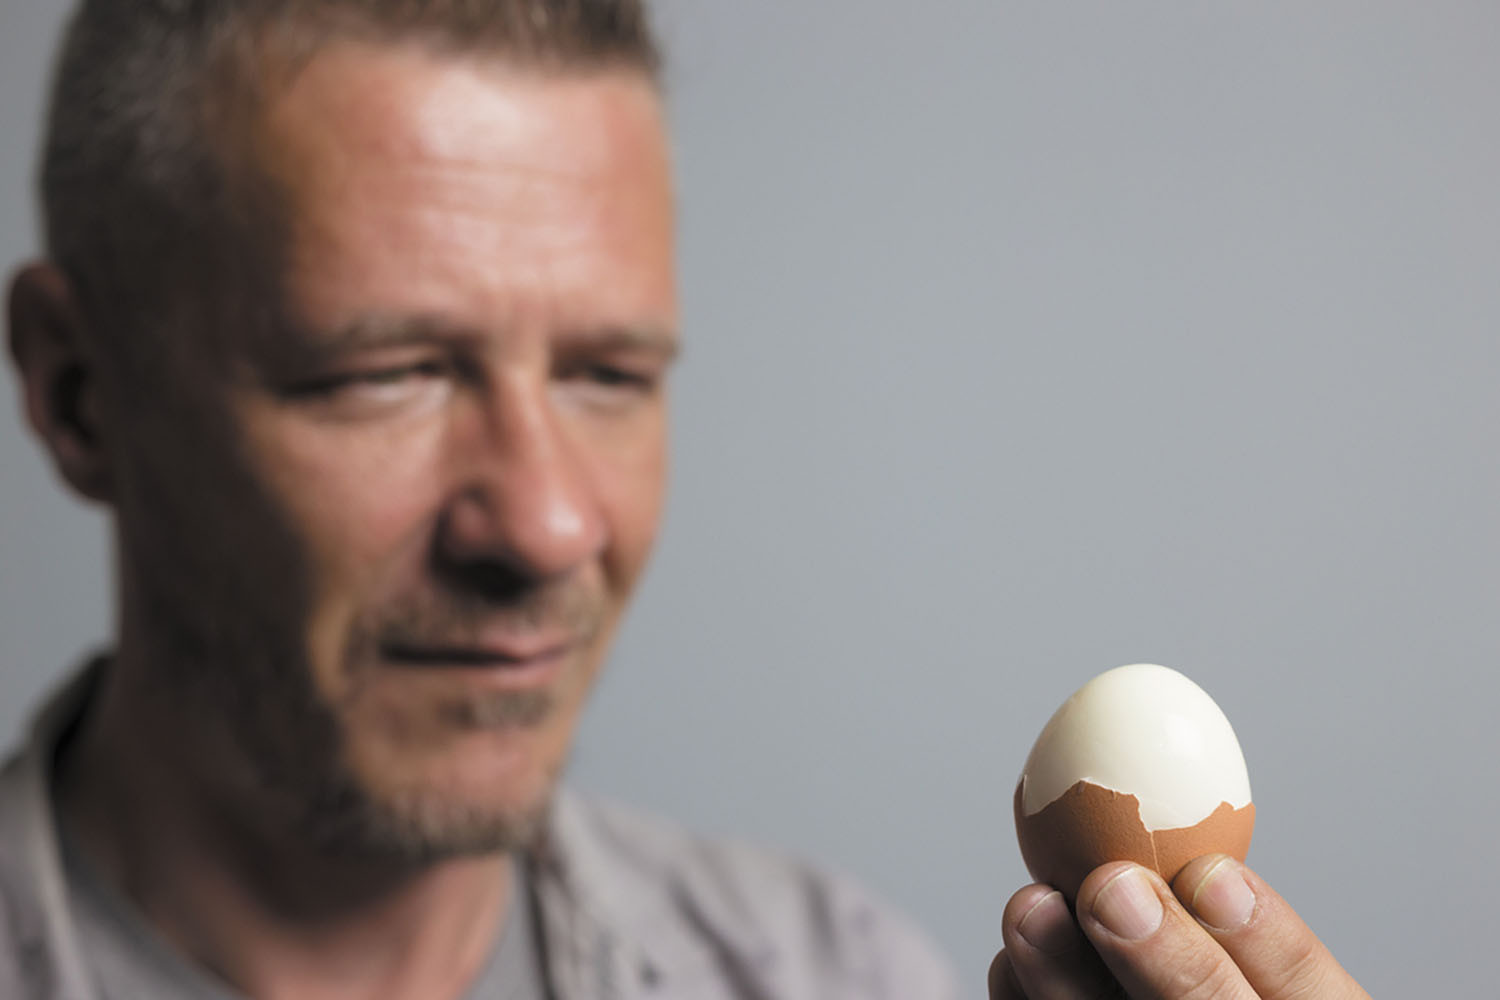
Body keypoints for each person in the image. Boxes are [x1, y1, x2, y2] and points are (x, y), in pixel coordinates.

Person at [0, 2, 1371, 999]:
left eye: (608, 374)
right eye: (389, 373)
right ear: (78, 396)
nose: (547, 524)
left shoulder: (841, 979)